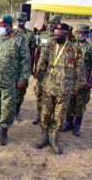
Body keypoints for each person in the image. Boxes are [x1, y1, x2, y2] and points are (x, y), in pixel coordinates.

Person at [34, 23, 85, 154]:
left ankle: (55, 141)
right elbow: (41, 65)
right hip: (48, 87)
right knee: (45, 114)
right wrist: (40, 83)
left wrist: (76, 88)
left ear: (66, 34)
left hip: (64, 90)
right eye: (54, 34)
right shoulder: (49, 46)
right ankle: (44, 138)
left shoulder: (75, 49)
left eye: (59, 35)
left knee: (59, 117)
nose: (56, 36)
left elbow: (80, 72)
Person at [0, 15, 30, 146]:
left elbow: (25, 62)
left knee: (7, 107)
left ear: (10, 26)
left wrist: (22, 79)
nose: (1, 28)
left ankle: (4, 133)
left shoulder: (19, 40)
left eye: (4, 26)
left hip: (10, 80)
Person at [62, 24, 92, 137]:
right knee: (70, 102)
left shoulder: (90, 47)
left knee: (80, 103)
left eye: (82, 33)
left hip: (84, 80)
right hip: (71, 79)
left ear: (87, 34)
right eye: (78, 32)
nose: (80, 35)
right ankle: (69, 122)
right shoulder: (72, 46)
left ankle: (77, 125)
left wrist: (90, 81)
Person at [32, 15, 61, 125]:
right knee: (39, 93)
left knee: (53, 95)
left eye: (54, 23)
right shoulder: (43, 35)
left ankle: (52, 118)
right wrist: (35, 67)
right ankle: (39, 116)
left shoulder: (60, 37)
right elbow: (38, 52)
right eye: (50, 23)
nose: (51, 25)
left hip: (54, 72)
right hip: (41, 70)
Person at [13, 12, 37, 121]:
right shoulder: (11, 33)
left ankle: (17, 110)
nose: (20, 22)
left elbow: (32, 52)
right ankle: (10, 110)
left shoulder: (30, 34)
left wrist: (31, 67)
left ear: (25, 21)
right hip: (12, 66)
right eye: (18, 20)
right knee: (11, 89)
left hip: (24, 66)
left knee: (21, 90)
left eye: (22, 20)